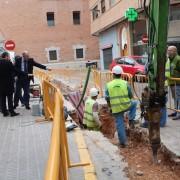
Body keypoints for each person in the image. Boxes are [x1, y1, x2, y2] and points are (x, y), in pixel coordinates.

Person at [105, 65, 137, 147]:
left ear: (113, 74)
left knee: (120, 125)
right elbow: (130, 95)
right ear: (121, 74)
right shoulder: (125, 83)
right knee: (134, 103)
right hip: (126, 105)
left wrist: (110, 107)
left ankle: (123, 142)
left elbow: (107, 98)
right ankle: (131, 119)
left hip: (116, 108)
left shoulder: (108, 85)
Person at [0, 52, 19, 117]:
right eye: (8, 56)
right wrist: (24, 73)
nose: (9, 58)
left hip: (1, 86)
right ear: (6, 56)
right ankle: (11, 112)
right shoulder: (8, 62)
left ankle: (4, 112)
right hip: (9, 84)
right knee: (10, 99)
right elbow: (15, 70)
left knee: (2, 99)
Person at [167, 46, 180, 120]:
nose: (168, 52)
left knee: (178, 98)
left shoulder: (178, 59)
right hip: (172, 83)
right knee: (175, 98)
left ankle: (178, 113)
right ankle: (175, 111)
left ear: (175, 51)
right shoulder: (169, 59)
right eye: (168, 50)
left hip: (178, 83)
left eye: (170, 50)